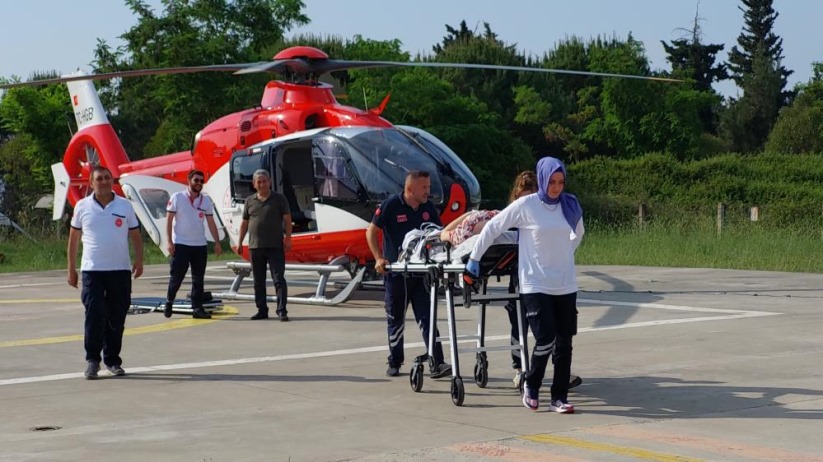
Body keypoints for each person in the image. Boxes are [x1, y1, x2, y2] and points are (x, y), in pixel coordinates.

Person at [467, 157, 584, 414]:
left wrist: (562, 256)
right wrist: (475, 257)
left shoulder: (570, 204)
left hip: (565, 283)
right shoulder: (526, 205)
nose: (556, 187)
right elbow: (493, 227)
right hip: (535, 283)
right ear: (543, 180)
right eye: (551, 182)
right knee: (545, 337)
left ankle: (558, 398)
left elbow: (578, 235)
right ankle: (532, 384)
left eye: (561, 182)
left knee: (564, 343)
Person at [365, 170, 452, 378]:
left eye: (429, 188)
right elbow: (370, 232)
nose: (428, 192)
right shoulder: (391, 206)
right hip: (396, 275)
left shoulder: (428, 208)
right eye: (424, 188)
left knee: (427, 318)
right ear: (410, 188)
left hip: (421, 275)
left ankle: (437, 362)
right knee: (396, 319)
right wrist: (379, 257)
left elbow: (438, 235)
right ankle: (395, 361)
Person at [503, 171, 583, 391]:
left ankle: (559, 373)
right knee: (519, 322)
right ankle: (520, 369)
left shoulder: (548, 210)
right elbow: (494, 230)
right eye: (523, 196)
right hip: (521, 274)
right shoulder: (515, 215)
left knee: (556, 329)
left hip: (548, 276)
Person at [67, 165, 144, 380]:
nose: (103, 182)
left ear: (112, 181)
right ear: (91, 183)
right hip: (92, 271)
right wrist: (71, 269)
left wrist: (139, 260)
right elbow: (73, 240)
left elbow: (136, 236)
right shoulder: (82, 207)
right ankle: (92, 360)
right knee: (94, 314)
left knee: (116, 316)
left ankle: (112, 360)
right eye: (99, 178)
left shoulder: (125, 206)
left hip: (119, 270)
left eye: (107, 178)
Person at [163, 169, 223, 320]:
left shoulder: (206, 201)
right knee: (177, 277)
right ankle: (169, 301)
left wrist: (217, 242)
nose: (199, 183)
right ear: (188, 181)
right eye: (196, 180)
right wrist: (169, 242)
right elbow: (169, 220)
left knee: (198, 278)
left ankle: (197, 307)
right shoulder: (177, 197)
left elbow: (211, 222)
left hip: (199, 245)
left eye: (201, 181)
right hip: (181, 244)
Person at [234, 169, 292, 321]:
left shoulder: (279, 199)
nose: (262, 184)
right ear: (254, 184)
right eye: (258, 182)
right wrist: (240, 242)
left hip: (275, 246)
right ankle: (262, 310)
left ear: (270, 182)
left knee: (279, 278)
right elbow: (244, 223)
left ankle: (282, 310)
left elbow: (287, 219)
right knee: (258, 281)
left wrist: (288, 238)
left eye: (264, 181)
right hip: (255, 247)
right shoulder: (249, 201)